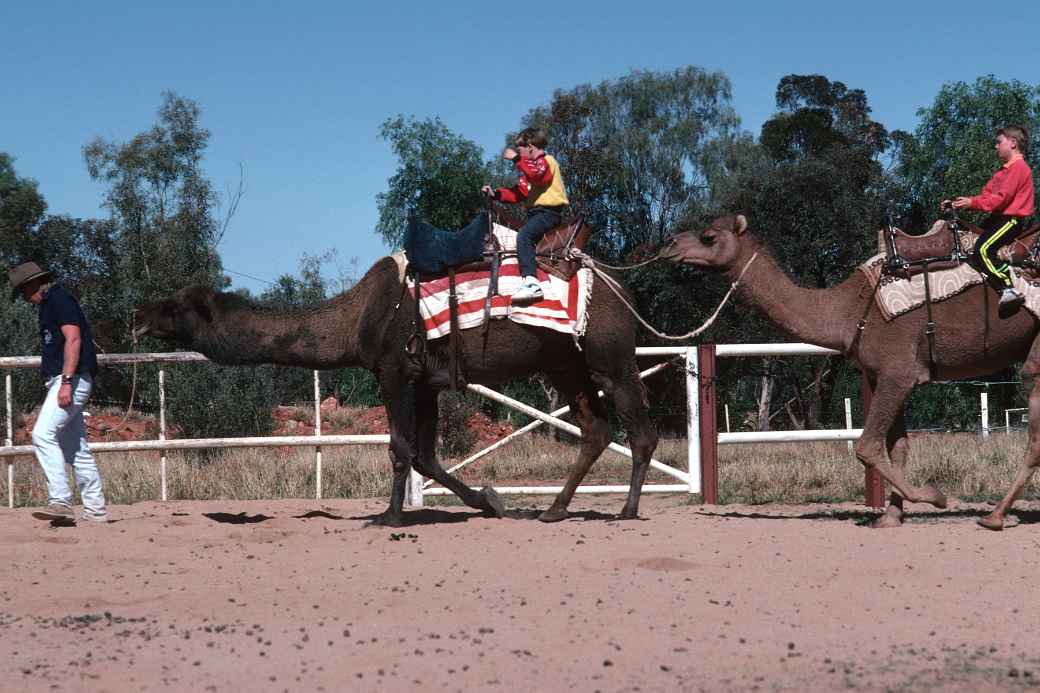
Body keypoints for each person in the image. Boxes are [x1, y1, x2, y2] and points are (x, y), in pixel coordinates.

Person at [8, 261, 107, 523]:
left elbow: (73, 339)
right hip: (67, 380)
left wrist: (66, 381)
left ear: (33, 284)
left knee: (42, 434)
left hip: (70, 380)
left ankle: (60, 500)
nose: (23, 297)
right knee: (76, 449)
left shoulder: (59, 299)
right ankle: (95, 511)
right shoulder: (49, 304)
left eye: (22, 291)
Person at [946, 125, 1035, 314]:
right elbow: (985, 196)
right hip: (998, 219)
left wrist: (972, 203)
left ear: (1012, 143)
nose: (996, 146)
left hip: (1011, 221)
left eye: (999, 142)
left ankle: (1008, 287)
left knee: (983, 250)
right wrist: (959, 203)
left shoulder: (1019, 168)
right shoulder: (1001, 172)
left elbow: (1000, 200)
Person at [482, 127, 569, 304]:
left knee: (525, 236)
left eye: (520, 149)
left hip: (548, 213)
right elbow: (518, 194)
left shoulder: (545, 161)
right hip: (536, 214)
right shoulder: (528, 171)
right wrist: (495, 194)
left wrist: (515, 159)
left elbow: (538, 177)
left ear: (530, 146)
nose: (518, 153)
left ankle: (531, 283)